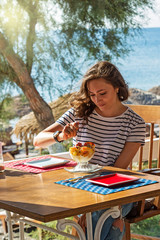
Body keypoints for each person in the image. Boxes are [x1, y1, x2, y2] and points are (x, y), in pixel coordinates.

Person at [34, 61, 146, 239]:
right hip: (80, 187)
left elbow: (118, 170)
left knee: (97, 217)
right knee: (108, 225)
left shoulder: (135, 123)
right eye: (92, 94)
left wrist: (92, 206)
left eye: (102, 93)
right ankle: (116, 222)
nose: (97, 100)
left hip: (117, 189)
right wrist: (61, 136)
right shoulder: (80, 112)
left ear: (117, 87)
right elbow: (38, 141)